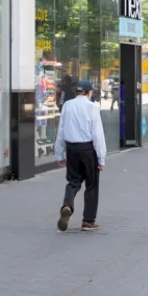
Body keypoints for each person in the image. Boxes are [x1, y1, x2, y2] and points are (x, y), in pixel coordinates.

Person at [55, 80, 106, 232]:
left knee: (73, 181)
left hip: (71, 148)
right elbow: (97, 134)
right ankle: (88, 221)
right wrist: (101, 158)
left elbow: (61, 130)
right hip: (87, 149)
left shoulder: (67, 105)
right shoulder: (92, 107)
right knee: (92, 184)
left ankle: (67, 206)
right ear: (89, 92)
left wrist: (59, 154)